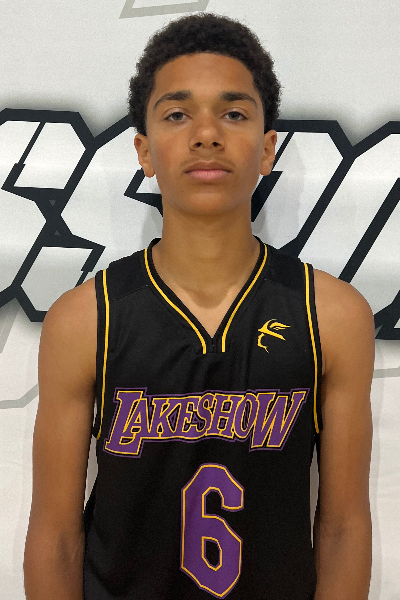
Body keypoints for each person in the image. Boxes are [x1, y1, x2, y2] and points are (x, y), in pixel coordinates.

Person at [24, 13, 374, 600]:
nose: (207, 134)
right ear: (144, 151)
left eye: (233, 114)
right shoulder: (85, 319)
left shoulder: (332, 316)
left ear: (267, 149)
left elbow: (343, 528)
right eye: (177, 114)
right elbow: (55, 536)